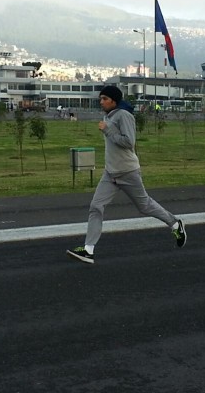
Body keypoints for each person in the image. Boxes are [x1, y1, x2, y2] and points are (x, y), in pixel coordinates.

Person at [66, 85, 186, 264]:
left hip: (128, 172)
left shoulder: (124, 115)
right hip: (110, 173)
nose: (101, 102)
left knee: (144, 206)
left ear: (114, 101)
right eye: (101, 99)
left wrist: (108, 130)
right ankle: (88, 250)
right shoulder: (109, 116)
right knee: (96, 207)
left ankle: (175, 224)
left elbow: (129, 142)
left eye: (105, 99)